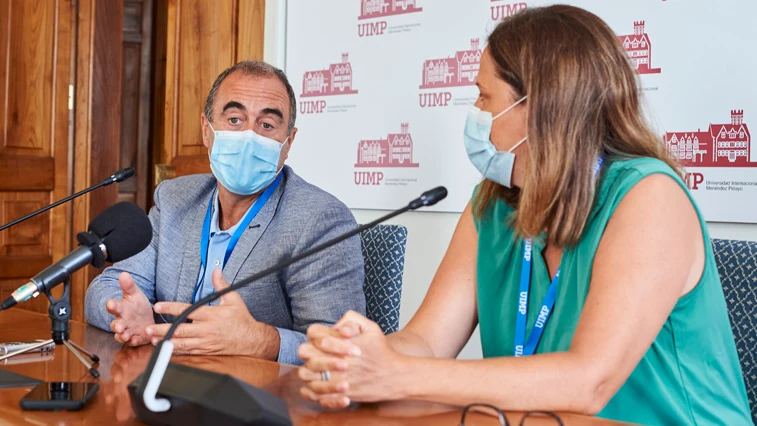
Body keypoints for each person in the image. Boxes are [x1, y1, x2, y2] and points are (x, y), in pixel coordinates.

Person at [296, 5, 753, 424]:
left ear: (541, 107)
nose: (475, 112)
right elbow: (427, 343)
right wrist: (357, 361)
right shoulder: (490, 205)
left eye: (485, 96)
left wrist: (397, 375)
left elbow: (588, 381)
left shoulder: (649, 196)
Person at [84, 60, 366, 365]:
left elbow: (339, 347)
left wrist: (261, 341)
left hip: (257, 400)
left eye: (266, 125)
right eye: (234, 119)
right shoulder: (175, 199)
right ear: (207, 131)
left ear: (288, 143)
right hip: (166, 384)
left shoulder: (320, 219)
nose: (249, 136)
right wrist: (130, 317)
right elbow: (106, 288)